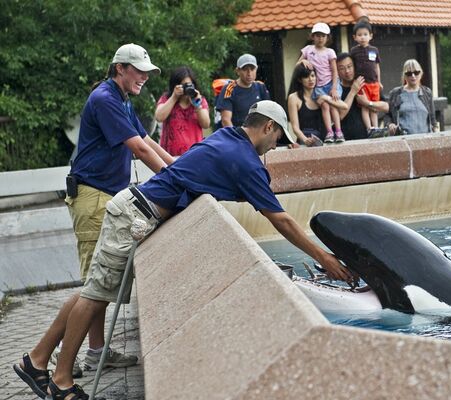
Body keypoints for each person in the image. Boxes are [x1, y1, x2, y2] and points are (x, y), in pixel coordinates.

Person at [13, 101, 351, 399]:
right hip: (135, 215)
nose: (276, 145)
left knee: (92, 291)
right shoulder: (244, 160)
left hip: (132, 206)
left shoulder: (227, 137)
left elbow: (209, 172)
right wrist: (323, 257)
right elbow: (282, 221)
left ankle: (37, 360)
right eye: (278, 137)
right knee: (96, 297)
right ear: (268, 127)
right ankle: (61, 381)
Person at [13, 43, 174, 396]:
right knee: (94, 288)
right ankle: (45, 363)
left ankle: (80, 354)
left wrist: (177, 166)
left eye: (147, 72)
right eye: (138, 70)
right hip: (93, 197)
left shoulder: (122, 99)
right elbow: (139, 149)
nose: (144, 77)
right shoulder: (105, 99)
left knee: (97, 287)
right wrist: (176, 180)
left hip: (106, 196)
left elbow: (147, 139)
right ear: (119, 68)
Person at [298, 22, 344, 143]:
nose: (320, 38)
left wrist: (334, 88)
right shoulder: (308, 50)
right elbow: (297, 64)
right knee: (325, 106)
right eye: (318, 35)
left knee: (333, 105)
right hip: (318, 86)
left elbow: (334, 71)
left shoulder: (330, 52)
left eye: (323, 36)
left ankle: (338, 131)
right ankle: (329, 132)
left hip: (330, 83)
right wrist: (303, 62)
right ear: (312, 36)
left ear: (327, 38)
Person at [154, 66, 210, 156]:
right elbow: (159, 117)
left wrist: (197, 105)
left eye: (189, 85)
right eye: (183, 85)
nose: (187, 88)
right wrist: (174, 97)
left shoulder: (199, 100)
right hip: (169, 156)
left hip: (194, 154)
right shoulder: (167, 98)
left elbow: (206, 124)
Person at [336, 52, 389, 140]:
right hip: (346, 140)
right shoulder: (336, 90)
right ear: (337, 71)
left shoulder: (367, 84)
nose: (347, 71)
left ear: (355, 66)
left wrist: (367, 103)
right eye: (342, 68)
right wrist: (353, 91)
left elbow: (386, 107)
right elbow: (340, 115)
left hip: (369, 139)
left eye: (349, 66)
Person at [383, 59, 438, 135]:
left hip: (425, 137)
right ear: (404, 75)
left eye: (416, 72)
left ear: (421, 74)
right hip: (403, 138)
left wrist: (437, 134)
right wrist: (390, 124)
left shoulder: (427, 92)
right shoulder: (395, 93)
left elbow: (433, 119)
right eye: (409, 73)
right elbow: (387, 115)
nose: (413, 76)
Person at [215, 54, 270, 128]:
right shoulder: (229, 89)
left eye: (252, 69)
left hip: (257, 132)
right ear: (238, 71)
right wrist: (236, 135)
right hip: (237, 132)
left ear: (256, 69)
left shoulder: (261, 87)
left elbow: (268, 114)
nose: (249, 73)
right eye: (245, 69)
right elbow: (226, 120)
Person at [349, 20, 382, 131]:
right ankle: (369, 128)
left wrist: (379, 81)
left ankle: (376, 128)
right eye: (359, 35)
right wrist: (353, 81)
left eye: (365, 34)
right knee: (365, 106)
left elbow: (377, 67)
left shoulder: (375, 50)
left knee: (374, 107)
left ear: (370, 36)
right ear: (354, 37)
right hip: (362, 83)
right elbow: (352, 66)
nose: (362, 37)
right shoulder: (354, 51)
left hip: (374, 83)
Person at [286, 64, 327, 147]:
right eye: (306, 77)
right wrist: (305, 139)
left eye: (313, 76)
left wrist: (328, 99)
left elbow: (343, 107)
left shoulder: (323, 95)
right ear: (300, 79)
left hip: (324, 141)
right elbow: (295, 127)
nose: (310, 79)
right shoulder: (294, 98)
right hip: (304, 141)